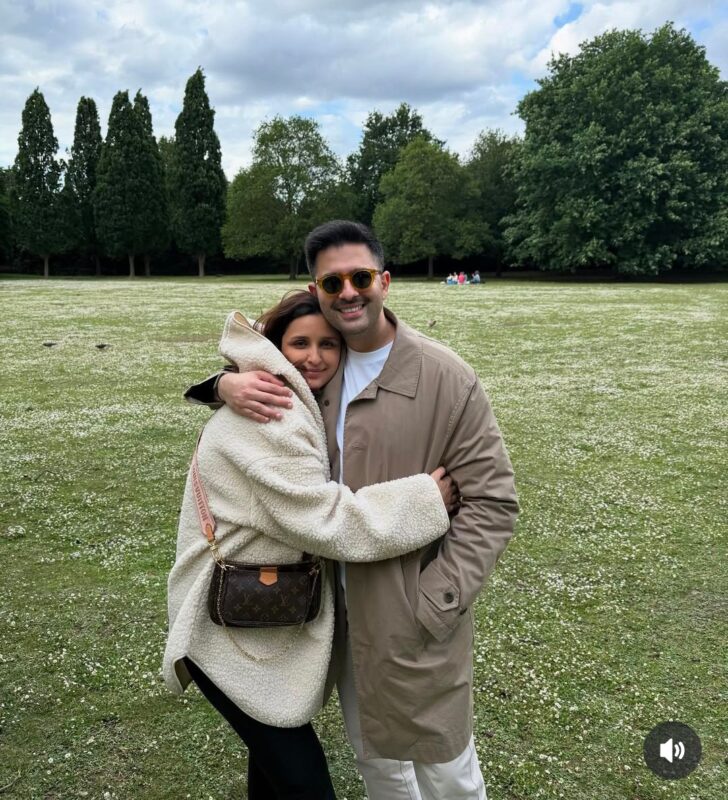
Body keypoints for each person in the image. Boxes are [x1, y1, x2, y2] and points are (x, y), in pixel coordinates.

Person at [187, 221, 519, 800]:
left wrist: (436, 600)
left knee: (447, 773)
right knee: (379, 768)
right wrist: (222, 384)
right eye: (332, 282)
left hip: (413, 618)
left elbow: (492, 502)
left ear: (384, 282)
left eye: (361, 278)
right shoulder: (309, 380)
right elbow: (271, 370)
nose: (348, 292)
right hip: (335, 619)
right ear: (315, 290)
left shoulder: (445, 377)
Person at [164, 290, 460, 800]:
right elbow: (323, 520)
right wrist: (426, 500)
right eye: (299, 343)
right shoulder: (274, 414)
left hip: (249, 626)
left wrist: (219, 384)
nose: (315, 357)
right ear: (276, 346)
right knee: (304, 784)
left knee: (274, 774)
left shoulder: (286, 395)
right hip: (221, 634)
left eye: (329, 344)